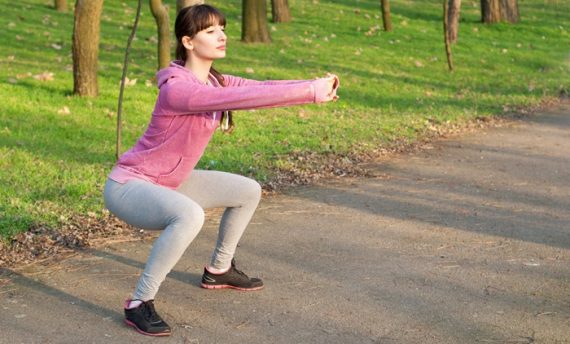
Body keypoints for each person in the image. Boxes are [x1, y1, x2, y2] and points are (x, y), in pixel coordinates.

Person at [103, 4, 339, 337]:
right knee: (189, 216)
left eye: (223, 28)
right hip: (129, 186)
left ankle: (219, 269)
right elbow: (245, 99)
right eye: (211, 31)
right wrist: (310, 92)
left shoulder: (216, 81)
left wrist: (313, 85)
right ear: (188, 41)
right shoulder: (178, 89)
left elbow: (260, 88)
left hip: (169, 182)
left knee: (247, 191)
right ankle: (139, 303)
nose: (222, 35)